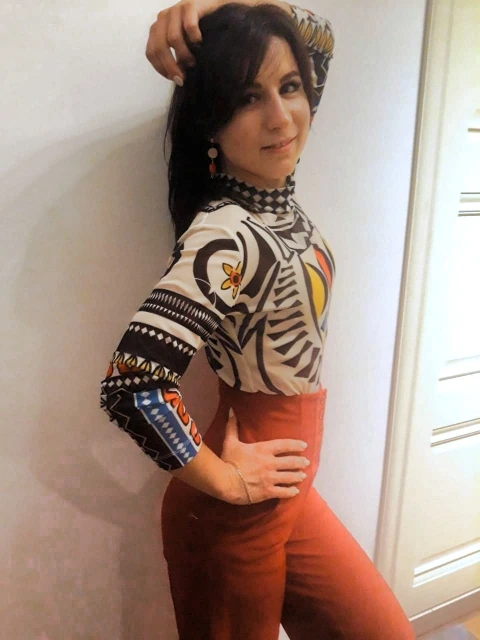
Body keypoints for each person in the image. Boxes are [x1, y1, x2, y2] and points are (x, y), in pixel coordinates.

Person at [100, 1, 416, 638]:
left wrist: (223, 7)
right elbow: (132, 384)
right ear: (211, 122)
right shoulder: (227, 237)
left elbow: (317, 35)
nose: (281, 117)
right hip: (235, 513)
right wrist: (227, 482)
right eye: (248, 97)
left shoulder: (275, 196)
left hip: (288, 493)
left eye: (290, 87)